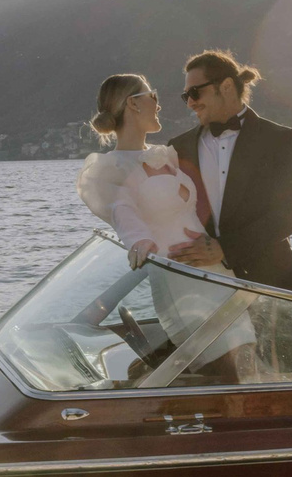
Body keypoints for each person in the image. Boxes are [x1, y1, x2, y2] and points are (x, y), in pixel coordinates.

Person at [76, 73, 257, 379]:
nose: (158, 105)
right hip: (181, 283)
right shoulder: (110, 169)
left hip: (217, 276)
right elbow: (123, 210)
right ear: (134, 104)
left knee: (246, 366)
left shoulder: (164, 155)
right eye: (154, 96)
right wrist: (139, 240)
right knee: (227, 374)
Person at [167, 48, 292, 294]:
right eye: (185, 96)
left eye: (195, 92)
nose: (190, 102)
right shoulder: (178, 148)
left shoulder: (282, 140)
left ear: (227, 86)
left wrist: (225, 248)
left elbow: (287, 216)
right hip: (202, 287)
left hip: (271, 281)